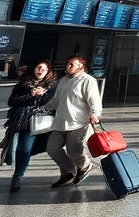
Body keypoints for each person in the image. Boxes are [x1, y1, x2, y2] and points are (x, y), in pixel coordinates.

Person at [44, 55, 102, 188]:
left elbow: (94, 100)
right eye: (68, 64)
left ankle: (85, 166)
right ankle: (69, 171)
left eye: (72, 64)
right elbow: (57, 99)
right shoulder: (63, 80)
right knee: (52, 148)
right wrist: (44, 108)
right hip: (61, 121)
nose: (68, 66)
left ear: (81, 65)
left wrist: (95, 114)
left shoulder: (88, 80)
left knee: (74, 151)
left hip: (79, 122)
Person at [4, 60, 57, 192]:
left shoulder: (52, 87)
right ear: (34, 69)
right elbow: (12, 101)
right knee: (22, 148)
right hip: (23, 120)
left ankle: (18, 175)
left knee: (28, 148)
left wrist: (43, 95)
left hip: (41, 121)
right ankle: (17, 176)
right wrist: (30, 95)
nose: (40, 70)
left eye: (44, 69)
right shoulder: (23, 85)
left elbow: (53, 104)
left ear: (48, 72)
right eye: (38, 67)